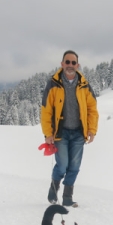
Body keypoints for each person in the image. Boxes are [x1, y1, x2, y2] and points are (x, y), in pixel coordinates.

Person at [40, 50, 99, 207]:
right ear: (62, 64)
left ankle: (67, 198)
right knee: (62, 164)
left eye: (73, 63)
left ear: (78, 65)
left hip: (79, 133)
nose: (70, 65)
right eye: (67, 62)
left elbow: (92, 108)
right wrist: (48, 133)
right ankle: (53, 190)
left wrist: (91, 129)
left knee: (74, 166)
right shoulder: (53, 84)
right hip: (61, 133)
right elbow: (46, 110)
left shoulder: (84, 85)